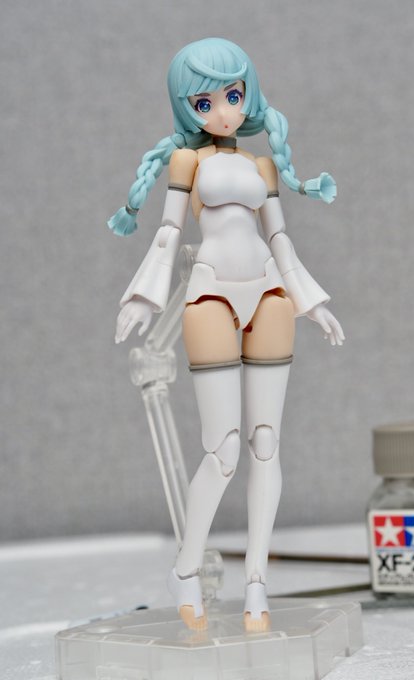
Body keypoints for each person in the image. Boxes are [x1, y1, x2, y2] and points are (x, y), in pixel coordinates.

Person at [110, 38, 344, 633]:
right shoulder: (188, 164)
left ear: (248, 94)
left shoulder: (262, 167)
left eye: (233, 95)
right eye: (204, 101)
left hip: (269, 294)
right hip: (211, 293)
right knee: (223, 452)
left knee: (266, 444)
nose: (222, 111)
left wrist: (311, 300)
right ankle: (186, 569)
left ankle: (257, 584)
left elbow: (280, 241)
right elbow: (168, 233)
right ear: (186, 107)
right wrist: (144, 294)